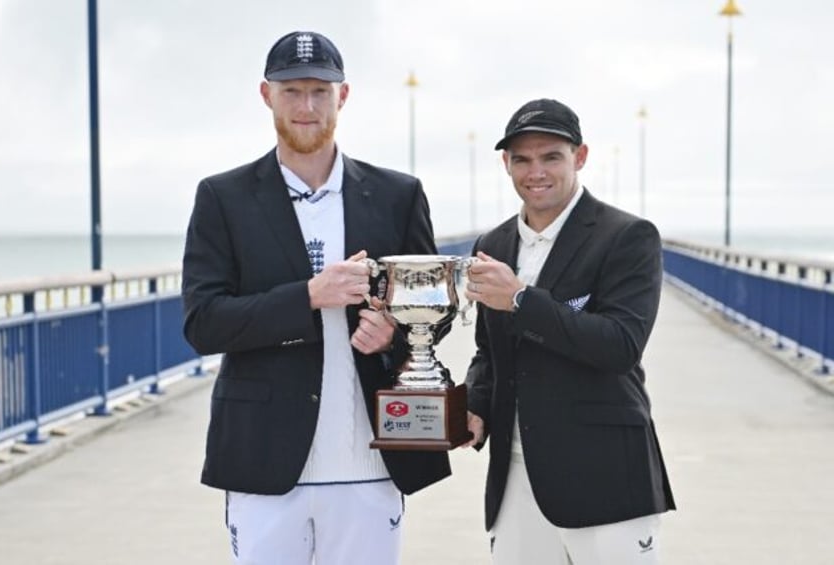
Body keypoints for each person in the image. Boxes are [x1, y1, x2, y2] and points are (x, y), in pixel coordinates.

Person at [181, 31, 450, 565]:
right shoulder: (223, 197)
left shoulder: (399, 195)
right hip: (265, 464)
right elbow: (203, 323)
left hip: (372, 463)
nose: (307, 106)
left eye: (320, 92)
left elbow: (435, 310)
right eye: (292, 91)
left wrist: (395, 334)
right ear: (267, 95)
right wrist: (308, 295)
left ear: (342, 96)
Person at [463, 98, 675, 565]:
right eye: (522, 159)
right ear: (506, 164)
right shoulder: (493, 244)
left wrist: (521, 299)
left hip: (606, 475)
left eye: (550, 156)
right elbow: (488, 352)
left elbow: (620, 345)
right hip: (515, 474)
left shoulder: (628, 237)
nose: (535, 171)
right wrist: (476, 405)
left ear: (579, 157)